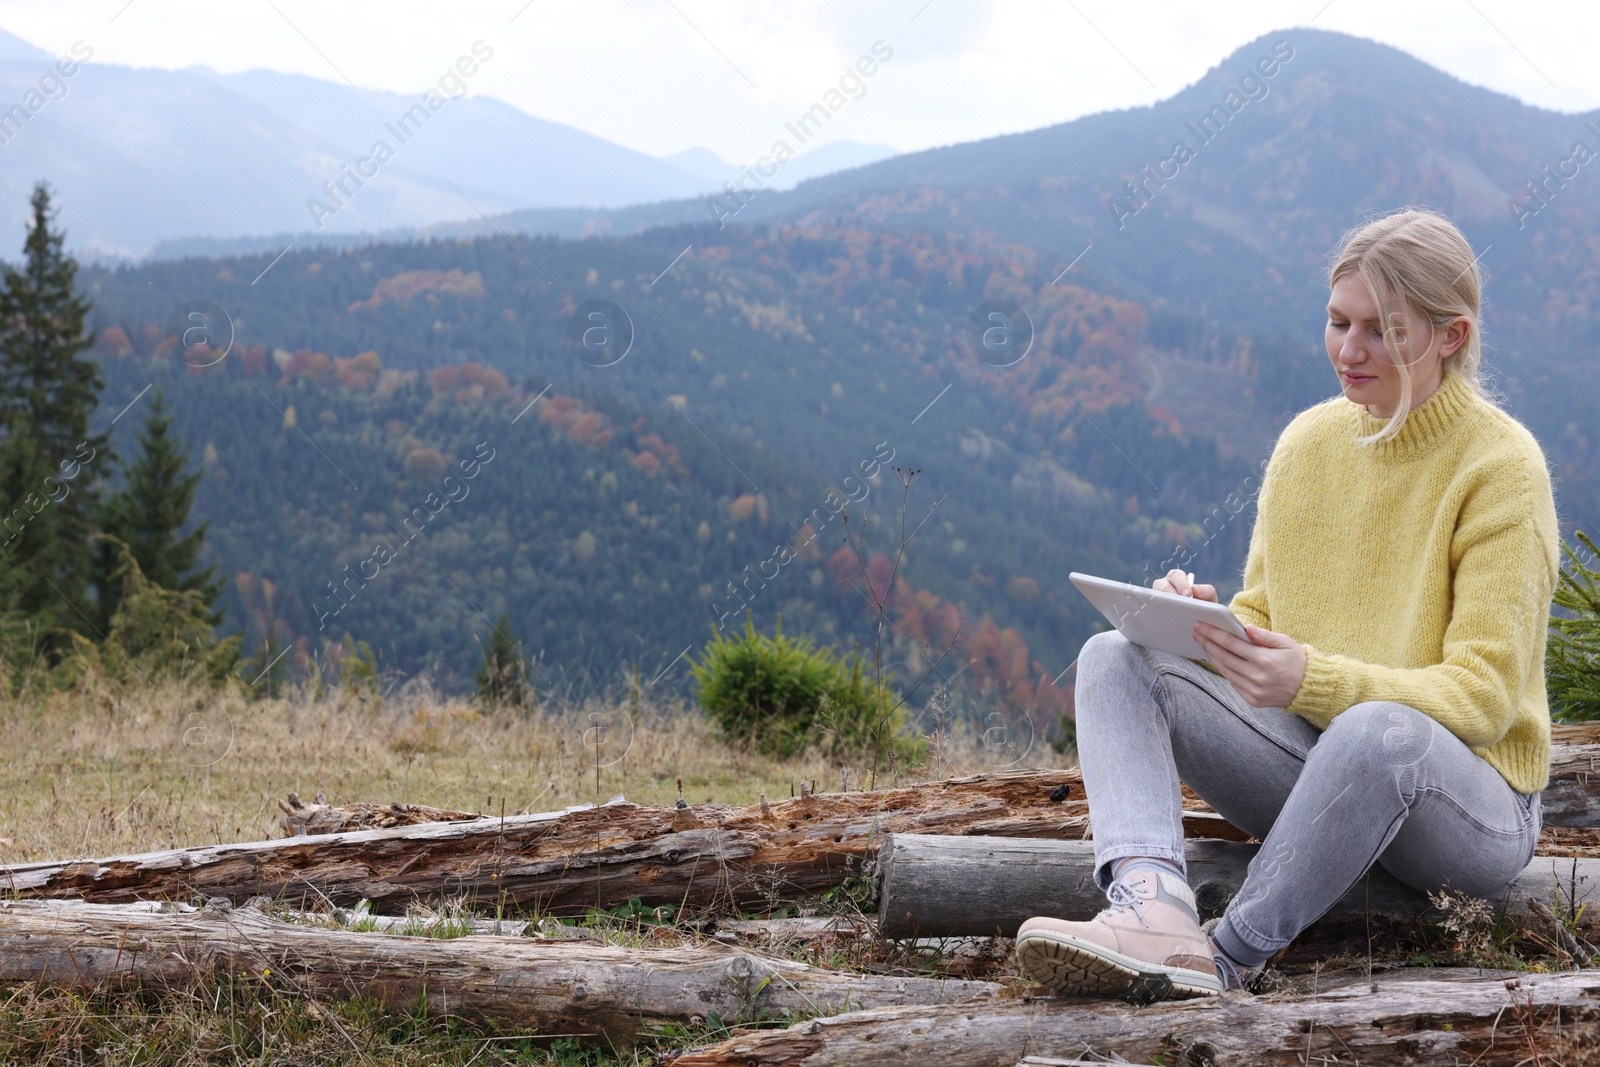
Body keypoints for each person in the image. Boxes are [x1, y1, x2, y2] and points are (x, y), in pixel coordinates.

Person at [1015, 208, 1560, 1001]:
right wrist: (1207, 629)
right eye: (1338, 321)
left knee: (1382, 732)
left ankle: (1226, 955)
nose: (1349, 349)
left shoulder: (1501, 468)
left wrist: (1314, 680)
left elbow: (1480, 699)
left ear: (1451, 335)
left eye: (1383, 329)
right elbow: (1269, 621)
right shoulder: (1307, 444)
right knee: (1118, 656)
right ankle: (1152, 907)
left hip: (1467, 809)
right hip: (1320, 769)